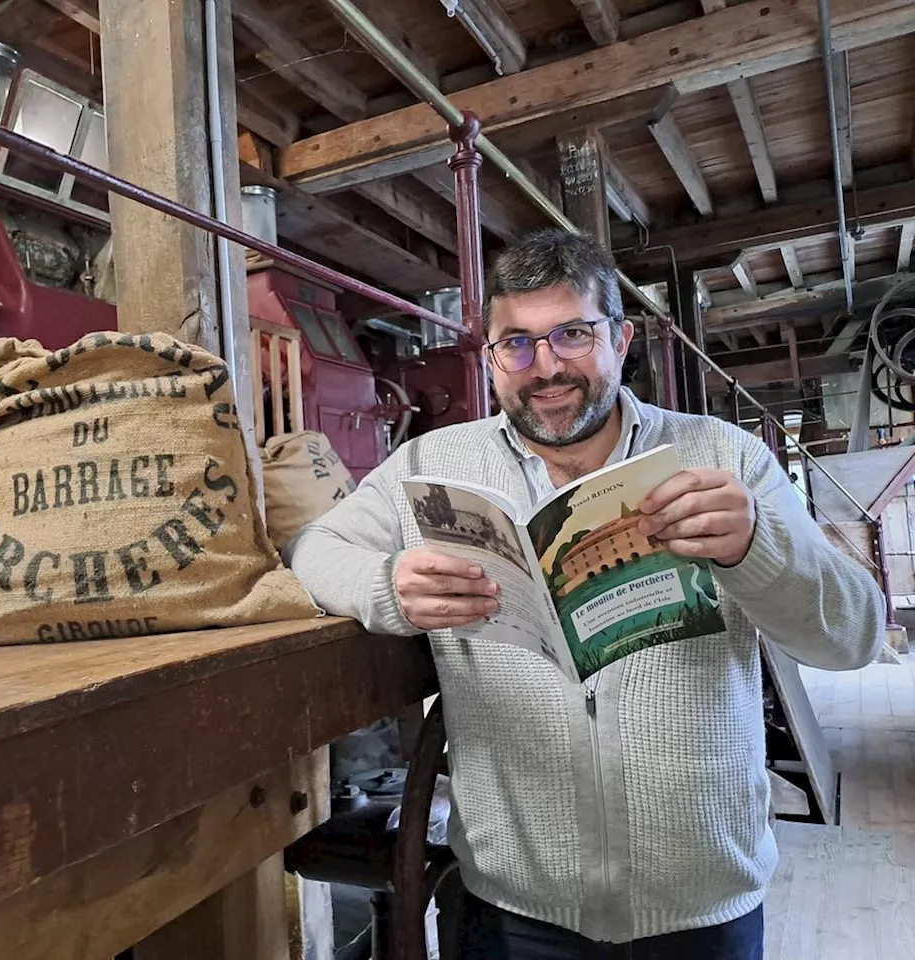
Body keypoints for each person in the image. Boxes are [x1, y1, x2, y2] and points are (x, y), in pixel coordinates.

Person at [283, 229, 885, 959]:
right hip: (511, 905)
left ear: (621, 339)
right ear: (491, 357)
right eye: (518, 344)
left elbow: (853, 636)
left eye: (572, 334)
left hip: (700, 907)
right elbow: (312, 550)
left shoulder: (723, 457)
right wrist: (387, 585)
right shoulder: (433, 466)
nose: (546, 368)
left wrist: (754, 547)